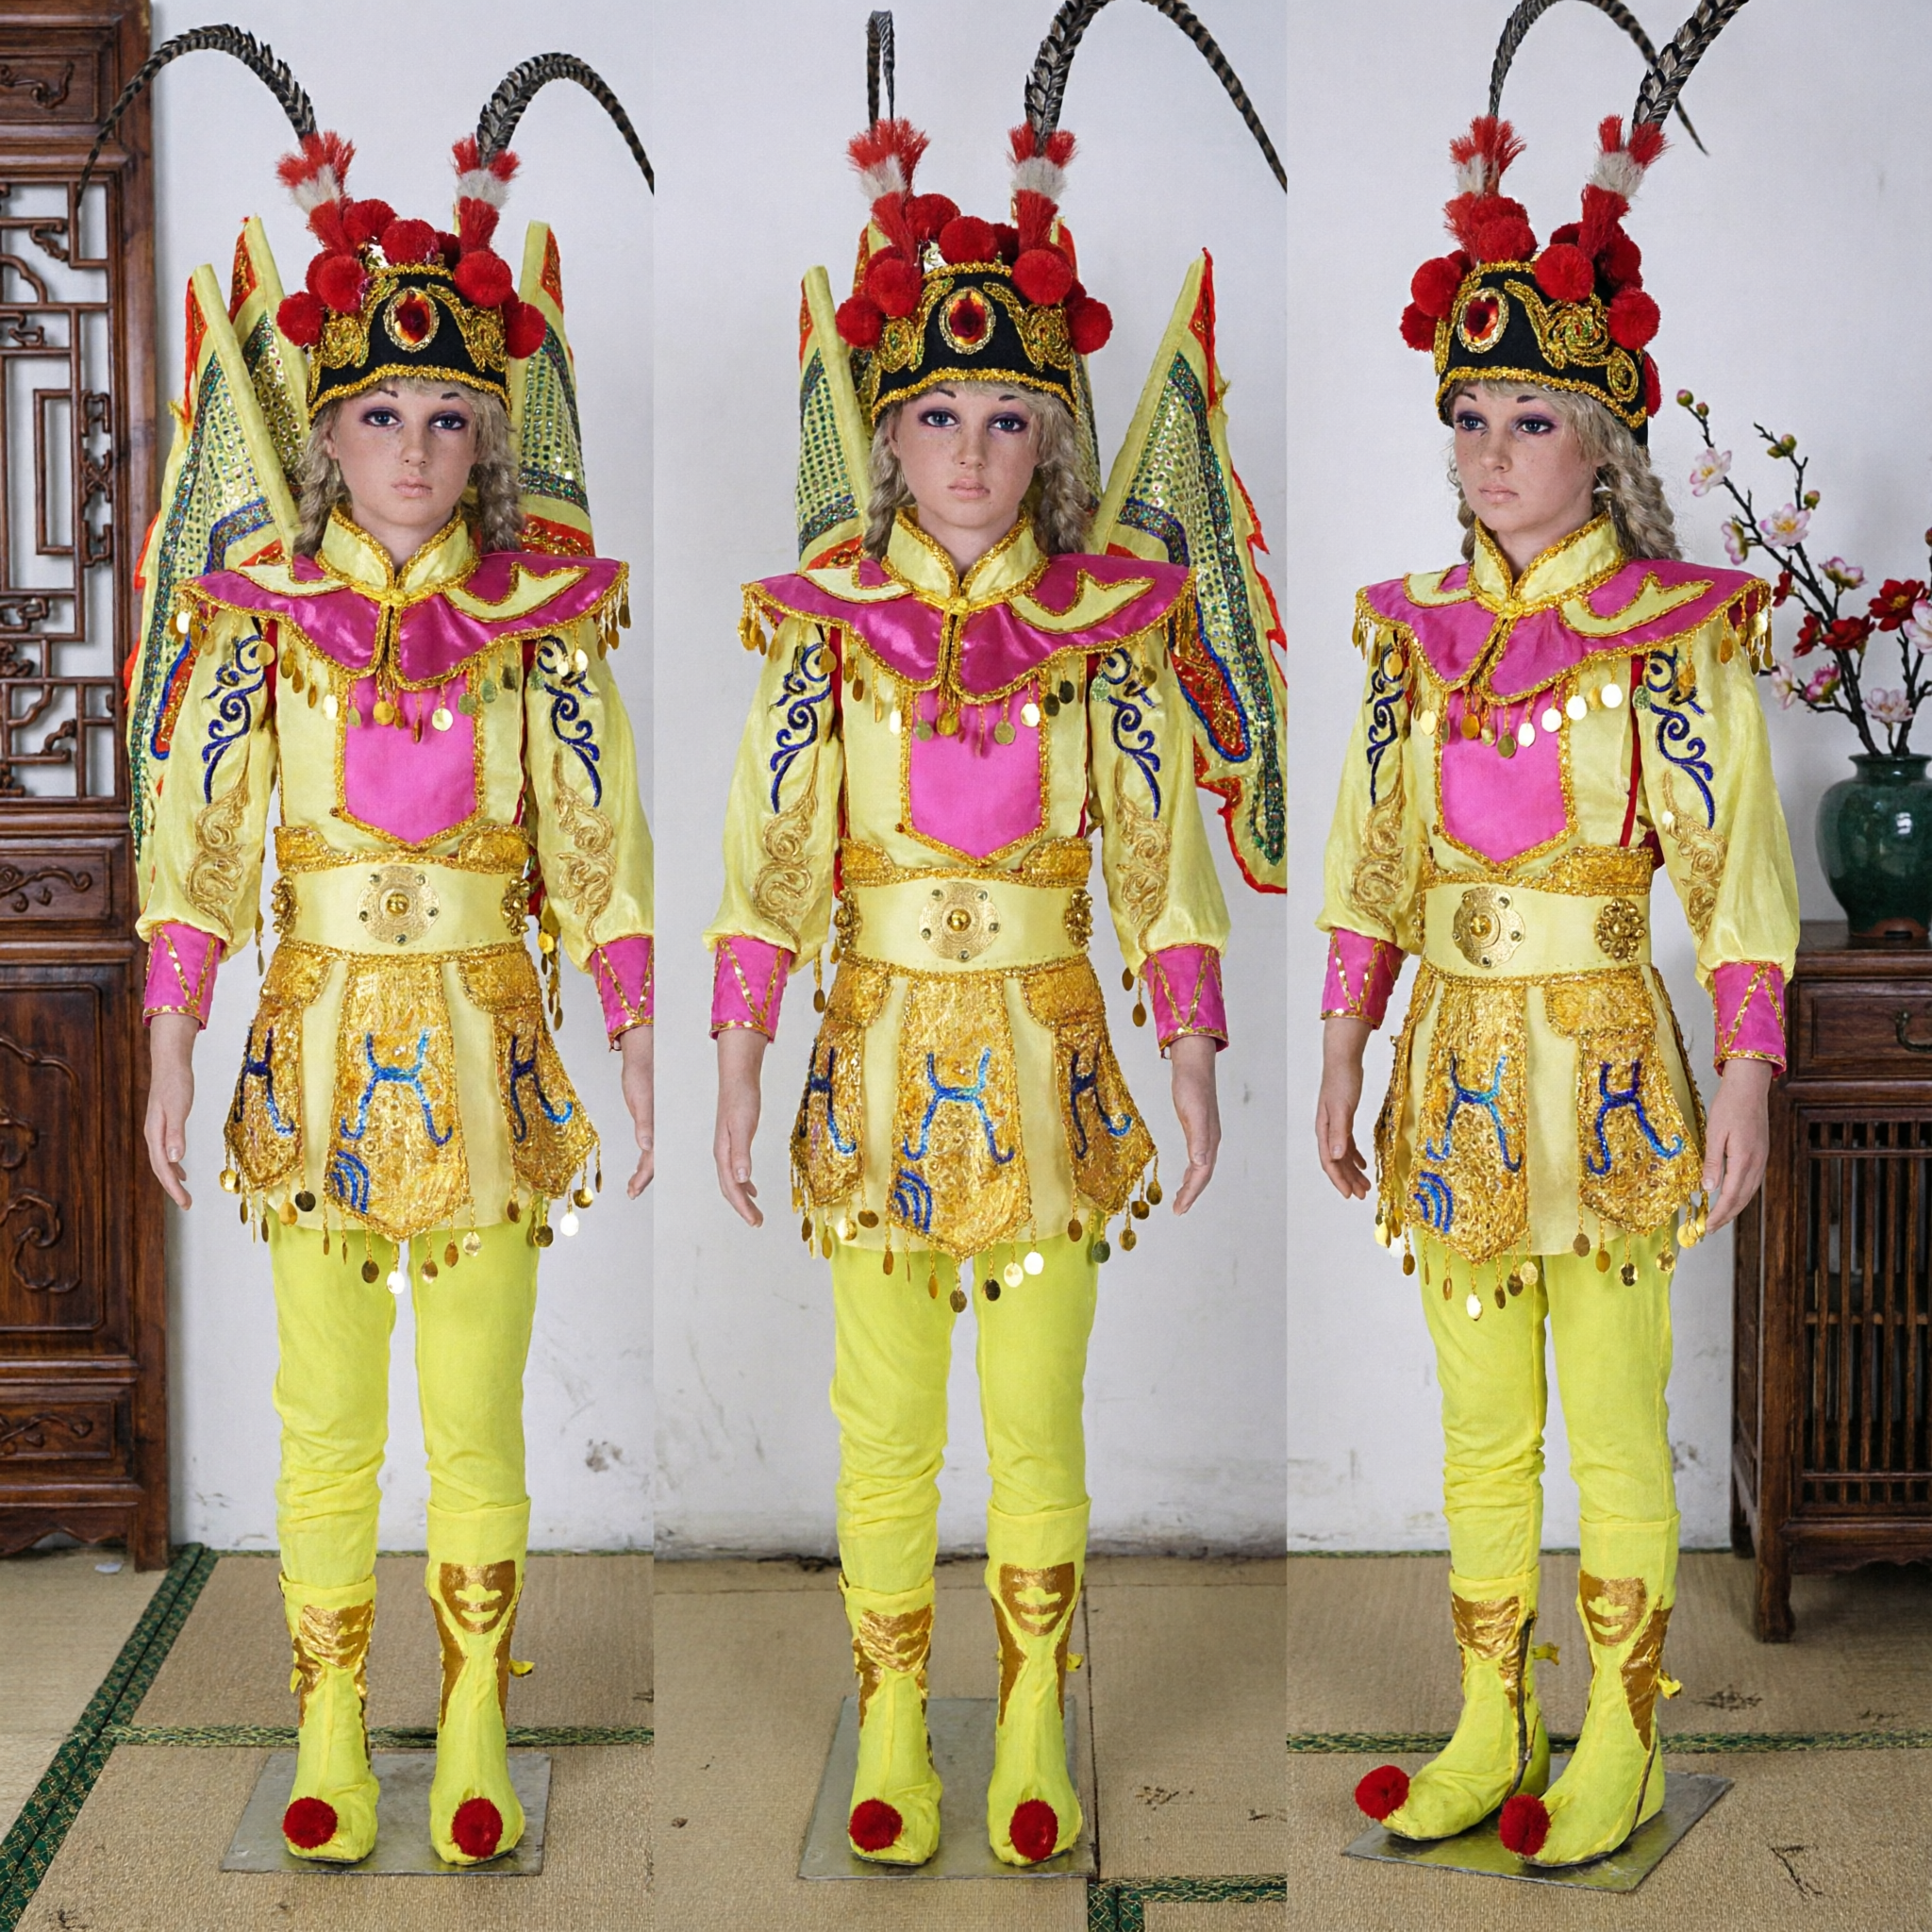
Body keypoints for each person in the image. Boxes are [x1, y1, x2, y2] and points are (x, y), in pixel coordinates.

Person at [705, 95, 1282, 1867]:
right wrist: (734, 1060)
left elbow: (1159, 861)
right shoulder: (823, 628)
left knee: (1036, 1414)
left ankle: (1032, 1706)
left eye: (1008, 419)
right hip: (875, 1067)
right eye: (939, 417)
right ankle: (891, 1705)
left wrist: (1188, 1053)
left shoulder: (1108, 626)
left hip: (1049, 1070)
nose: (971, 455)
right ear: (888, 437)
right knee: (882, 1421)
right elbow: (767, 853)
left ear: (1053, 436)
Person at [118, 39, 652, 1868]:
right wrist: (177, 1040)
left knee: (477, 1403)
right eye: (378, 417)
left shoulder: (540, 623)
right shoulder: (261, 623)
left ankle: (483, 1702)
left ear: (487, 438)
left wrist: (644, 1026)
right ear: (323, 427)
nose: (412, 452)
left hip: (495, 1058)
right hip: (318, 1052)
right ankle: (333, 1717)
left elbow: (599, 830)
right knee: (327, 1407)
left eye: (446, 419)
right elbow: (196, 837)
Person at [1317, 25, 1797, 1869]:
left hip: (1601, 1059)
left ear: (1600, 436)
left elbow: (1731, 860)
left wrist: (1742, 1057)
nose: (1495, 450)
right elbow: (1373, 855)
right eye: (1468, 415)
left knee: (1612, 1415)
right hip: (1449, 1063)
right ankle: (1483, 1713)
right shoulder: (1408, 635)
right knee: (1474, 1415)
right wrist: (1348, 1043)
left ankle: (1623, 1739)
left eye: (1532, 418)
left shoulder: (1673, 635)